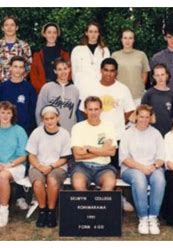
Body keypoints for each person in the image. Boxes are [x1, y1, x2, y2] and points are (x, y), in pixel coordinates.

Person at [78, 58, 135, 211]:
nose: (109, 74)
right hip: (94, 136)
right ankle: (94, 194)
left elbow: (129, 111)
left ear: (116, 72)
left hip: (116, 136)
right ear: (101, 70)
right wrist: (95, 127)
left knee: (114, 169)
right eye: (106, 70)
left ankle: (118, 196)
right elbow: (84, 110)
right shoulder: (90, 87)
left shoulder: (123, 89)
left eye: (112, 70)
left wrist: (114, 126)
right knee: (95, 164)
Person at [119, 105, 166, 235]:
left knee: (160, 179)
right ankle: (143, 218)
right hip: (131, 169)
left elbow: (161, 157)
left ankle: (153, 217)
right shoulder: (128, 133)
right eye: (141, 116)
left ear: (150, 118)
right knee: (139, 179)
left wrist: (154, 167)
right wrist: (142, 168)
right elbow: (124, 158)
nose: (144, 120)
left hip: (152, 168)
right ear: (136, 116)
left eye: (147, 117)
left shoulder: (156, 133)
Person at [0, 101, 28, 228]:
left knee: (3, 176)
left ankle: (3, 210)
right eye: (3, 112)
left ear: (12, 115)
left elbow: (24, 155)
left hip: (15, 164)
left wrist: (10, 164)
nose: (5, 115)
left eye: (9, 113)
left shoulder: (19, 130)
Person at [27, 106, 71, 228]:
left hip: (57, 166)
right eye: (46, 119)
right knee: (37, 183)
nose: (49, 121)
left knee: (52, 180)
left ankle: (51, 211)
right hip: (38, 165)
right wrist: (40, 167)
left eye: (52, 118)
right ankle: (42, 211)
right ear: (43, 120)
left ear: (58, 118)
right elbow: (31, 155)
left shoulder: (64, 134)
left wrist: (51, 166)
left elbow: (65, 158)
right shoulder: (36, 132)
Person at [70, 96, 117, 191]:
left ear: (101, 110)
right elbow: (77, 155)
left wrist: (89, 149)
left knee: (110, 183)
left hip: (104, 167)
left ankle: (100, 206)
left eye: (96, 109)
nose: (93, 112)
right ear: (85, 110)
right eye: (90, 109)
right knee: (78, 184)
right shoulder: (78, 127)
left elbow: (111, 153)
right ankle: (87, 206)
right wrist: (102, 150)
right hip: (82, 166)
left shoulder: (109, 126)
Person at [0, 56, 37, 135]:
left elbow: (32, 113)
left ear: (24, 69)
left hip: (24, 131)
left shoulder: (29, 88)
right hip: (5, 130)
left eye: (21, 67)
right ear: (10, 68)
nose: (18, 70)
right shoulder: (2, 88)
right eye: (15, 67)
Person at [35, 58, 79, 133]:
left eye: (65, 68)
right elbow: (39, 111)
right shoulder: (47, 87)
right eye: (59, 69)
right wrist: (42, 129)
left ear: (69, 69)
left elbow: (74, 113)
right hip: (49, 131)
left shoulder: (75, 90)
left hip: (68, 132)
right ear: (55, 71)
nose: (63, 72)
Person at [0, 16, 32, 88]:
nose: (9, 27)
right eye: (6, 25)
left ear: (17, 27)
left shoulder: (24, 46)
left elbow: (28, 67)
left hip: (19, 86)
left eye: (12, 25)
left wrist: (19, 80)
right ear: (2, 28)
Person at [71, 21, 111, 98]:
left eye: (96, 32)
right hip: (82, 91)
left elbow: (107, 71)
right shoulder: (77, 50)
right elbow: (74, 73)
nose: (93, 34)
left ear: (99, 34)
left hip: (100, 90)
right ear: (86, 33)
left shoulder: (105, 50)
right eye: (91, 31)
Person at [112, 28, 150, 106]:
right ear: (121, 40)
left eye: (130, 38)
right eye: (125, 38)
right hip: (120, 95)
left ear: (134, 40)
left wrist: (139, 87)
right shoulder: (115, 55)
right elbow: (112, 74)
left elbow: (144, 74)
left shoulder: (141, 55)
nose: (127, 41)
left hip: (137, 96)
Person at [30, 22, 71, 94]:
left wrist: (62, 87)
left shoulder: (64, 53)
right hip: (43, 90)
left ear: (57, 35)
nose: (52, 35)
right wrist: (42, 89)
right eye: (49, 32)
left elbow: (69, 73)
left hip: (62, 90)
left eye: (54, 32)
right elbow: (34, 75)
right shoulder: (37, 54)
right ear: (44, 34)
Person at [141, 64, 173, 137]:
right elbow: (142, 114)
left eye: (162, 74)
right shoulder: (148, 94)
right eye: (157, 75)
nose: (160, 78)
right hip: (150, 134)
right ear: (153, 76)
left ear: (167, 75)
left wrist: (172, 133)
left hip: (167, 133)